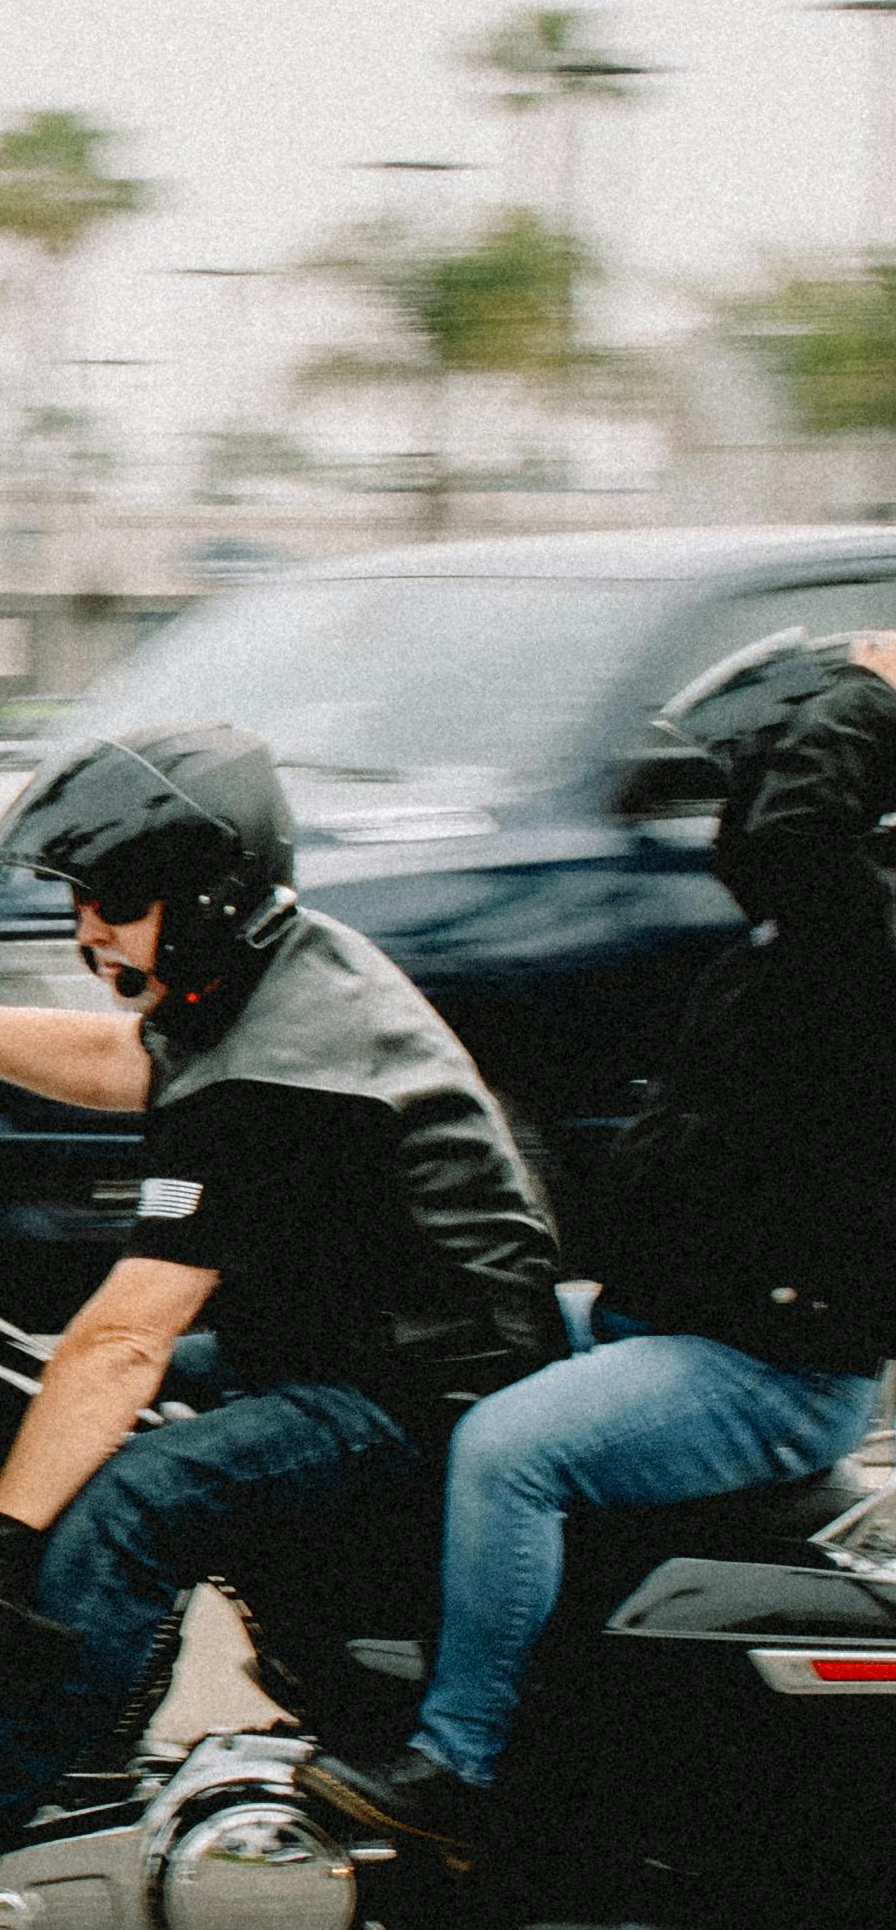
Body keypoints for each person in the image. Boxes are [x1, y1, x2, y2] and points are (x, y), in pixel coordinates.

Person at [0, 721, 563, 1930]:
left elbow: (120, 1341)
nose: (84, 932)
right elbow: (121, 1058)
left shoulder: (267, 1074)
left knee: (117, 1507)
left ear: (202, 891)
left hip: (421, 1385)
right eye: (79, 900)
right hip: (346, 1344)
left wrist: (8, 1542)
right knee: (19, 1398)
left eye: (110, 900)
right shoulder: (259, 976)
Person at [301, 634, 896, 1862]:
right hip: (674, 1320)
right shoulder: (813, 940)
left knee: (507, 1453)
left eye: (757, 771)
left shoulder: (864, 943)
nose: (738, 801)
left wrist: (867, 692)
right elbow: (767, 841)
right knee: (417, 1342)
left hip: (767, 1369)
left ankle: (456, 1760)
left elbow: (786, 835)